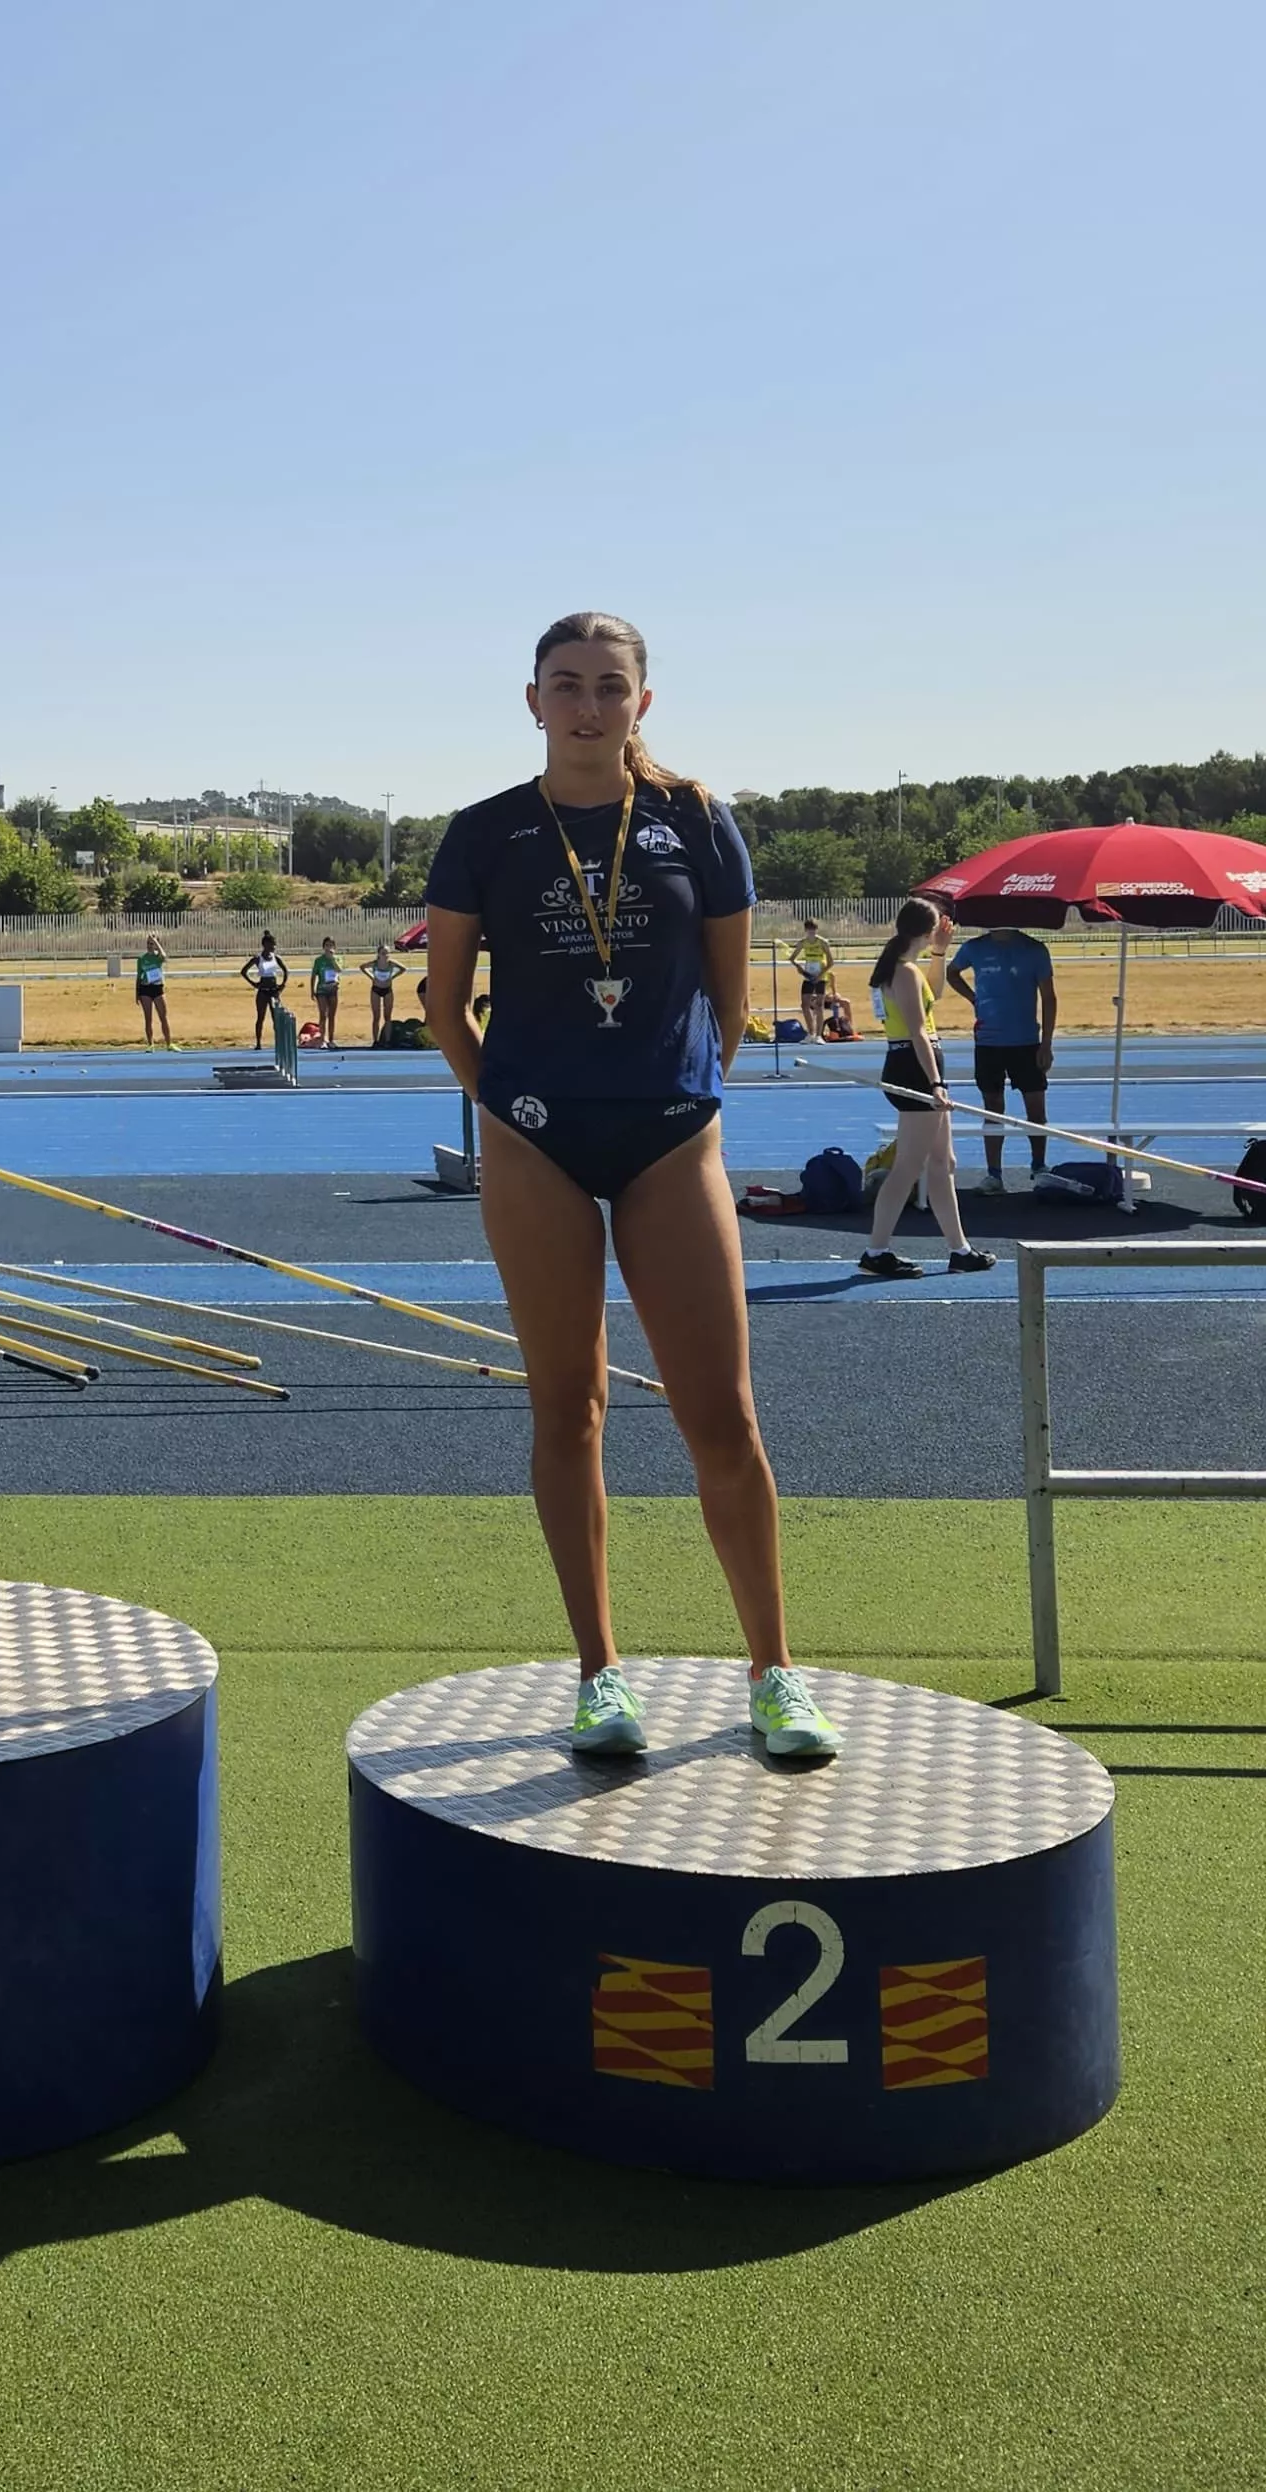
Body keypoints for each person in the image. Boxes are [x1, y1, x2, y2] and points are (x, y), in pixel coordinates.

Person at [425, 610, 839, 1762]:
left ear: (641, 703)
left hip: (668, 1143)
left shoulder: (697, 821)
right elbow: (444, 1003)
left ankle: (774, 1672)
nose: (589, 706)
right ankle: (600, 1673)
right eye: (568, 685)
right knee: (569, 1409)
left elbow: (729, 998)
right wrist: (506, 1103)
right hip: (536, 1145)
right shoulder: (485, 833)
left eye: (611, 686)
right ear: (533, 700)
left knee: (723, 1416)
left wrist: (687, 1096)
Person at [861, 900, 996, 1280]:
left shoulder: (910, 970)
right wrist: (935, 1082)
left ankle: (959, 1249)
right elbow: (919, 1030)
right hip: (914, 1069)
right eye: (936, 929)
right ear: (924, 929)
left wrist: (939, 953)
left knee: (943, 1163)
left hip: (920, 1066)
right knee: (908, 1166)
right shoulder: (902, 973)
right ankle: (876, 1250)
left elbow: (933, 993)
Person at [945, 924, 1057, 1192]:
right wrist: (974, 999)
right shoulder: (974, 947)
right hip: (988, 1041)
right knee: (992, 1107)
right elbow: (952, 973)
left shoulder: (1034, 949)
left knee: (1035, 1107)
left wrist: (1047, 1044)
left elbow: (1049, 997)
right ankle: (994, 1174)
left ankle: (1039, 1166)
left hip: (1026, 1041)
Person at [240, 930, 289, 1049]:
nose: (274, 947)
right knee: (260, 1017)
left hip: (274, 991)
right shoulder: (258, 958)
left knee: (276, 1018)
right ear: (265, 945)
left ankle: (279, 1042)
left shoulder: (276, 958)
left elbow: (285, 971)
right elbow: (243, 971)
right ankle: (258, 1043)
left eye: (275, 944)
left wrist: (282, 984)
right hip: (263, 991)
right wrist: (254, 983)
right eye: (272, 944)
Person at [790, 918, 834, 1036]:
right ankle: (811, 1033)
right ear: (805, 930)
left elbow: (831, 962)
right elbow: (792, 958)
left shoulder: (822, 942)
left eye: (814, 930)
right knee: (805, 1005)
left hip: (821, 977)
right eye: (809, 930)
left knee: (819, 1005)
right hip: (808, 977)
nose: (812, 932)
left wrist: (820, 975)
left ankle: (819, 1035)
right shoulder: (802, 943)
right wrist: (799, 968)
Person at [360, 940, 405, 1047]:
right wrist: (371, 976)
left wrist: (392, 977)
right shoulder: (374, 964)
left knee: (387, 1017)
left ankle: (388, 1041)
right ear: (379, 954)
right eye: (383, 953)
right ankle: (375, 1041)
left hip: (388, 990)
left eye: (387, 953)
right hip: (376, 989)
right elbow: (362, 967)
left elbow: (403, 969)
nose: (386, 955)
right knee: (376, 1016)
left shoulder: (391, 964)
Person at [134, 935, 173, 1048]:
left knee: (163, 1016)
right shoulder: (142, 959)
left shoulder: (158, 957)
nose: (149, 946)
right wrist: (136, 993)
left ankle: (169, 1043)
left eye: (152, 944)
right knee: (148, 1018)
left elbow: (164, 957)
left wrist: (156, 942)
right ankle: (150, 1044)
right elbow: (139, 976)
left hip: (157, 988)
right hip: (145, 989)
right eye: (148, 944)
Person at [309, 938, 344, 1047]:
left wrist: (332, 959)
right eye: (327, 945)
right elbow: (314, 975)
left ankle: (331, 1039)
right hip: (322, 990)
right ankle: (322, 1039)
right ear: (323, 947)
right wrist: (312, 990)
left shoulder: (338, 959)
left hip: (333, 990)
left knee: (332, 1015)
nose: (329, 947)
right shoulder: (319, 960)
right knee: (323, 1015)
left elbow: (339, 970)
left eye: (331, 945)